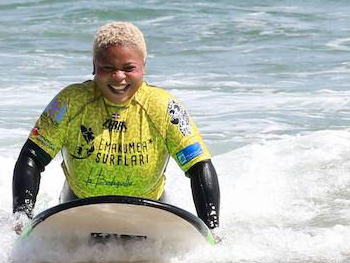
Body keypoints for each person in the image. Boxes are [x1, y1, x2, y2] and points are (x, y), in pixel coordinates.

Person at [11, 22, 221, 231]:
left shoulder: (164, 107)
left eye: (129, 68)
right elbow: (32, 157)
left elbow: (198, 165)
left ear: (143, 66)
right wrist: (22, 216)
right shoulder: (70, 102)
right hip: (77, 207)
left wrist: (212, 229)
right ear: (94, 66)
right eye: (107, 68)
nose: (119, 77)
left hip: (150, 212)